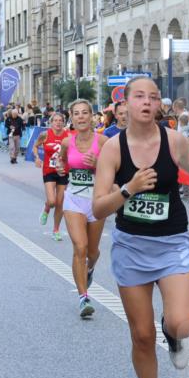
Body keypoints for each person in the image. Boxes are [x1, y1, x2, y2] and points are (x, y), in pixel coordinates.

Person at [91, 76, 189, 378]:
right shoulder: (112, 149)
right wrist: (129, 190)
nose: (146, 103)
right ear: (125, 104)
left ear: (159, 105)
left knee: (180, 323)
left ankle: (176, 337)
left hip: (173, 244)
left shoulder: (175, 141)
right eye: (139, 97)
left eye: (153, 97)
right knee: (142, 335)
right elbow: (99, 208)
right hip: (132, 247)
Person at [58, 99, 106, 318]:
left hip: (96, 200)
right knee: (80, 247)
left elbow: (116, 171)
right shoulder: (68, 143)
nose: (80, 117)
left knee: (93, 252)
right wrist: (60, 168)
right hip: (74, 199)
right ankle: (83, 298)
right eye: (76, 113)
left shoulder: (104, 142)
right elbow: (61, 162)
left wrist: (97, 165)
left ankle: (89, 269)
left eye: (85, 113)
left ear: (91, 116)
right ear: (72, 118)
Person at [36, 112, 70, 241]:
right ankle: (46, 208)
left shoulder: (68, 136)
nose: (58, 122)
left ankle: (56, 229)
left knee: (60, 203)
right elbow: (35, 146)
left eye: (60, 120)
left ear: (63, 122)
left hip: (63, 171)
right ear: (51, 122)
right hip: (48, 171)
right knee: (52, 201)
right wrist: (37, 158)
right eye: (55, 120)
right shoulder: (45, 135)